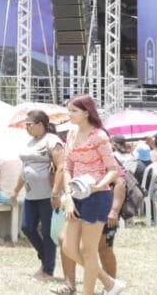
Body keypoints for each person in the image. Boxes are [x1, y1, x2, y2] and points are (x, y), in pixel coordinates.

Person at [59, 95, 125, 295]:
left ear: (86, 112)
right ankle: (110, 284)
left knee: (88, 251)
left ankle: (92, 291)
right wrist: (69, 195)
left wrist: (98, 186)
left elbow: (113, 170)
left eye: (74, 111)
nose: (69, 114)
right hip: (76, 194)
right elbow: (67, 167)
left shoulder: (99, 136)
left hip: (97, 196)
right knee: (69, 247)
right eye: (69, 110)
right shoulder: (71, 133)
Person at [10, 109, 65, 282]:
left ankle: (48, 270)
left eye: (29, 124)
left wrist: (56, 192)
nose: (26, 127)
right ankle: (45, 257)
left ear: (40, 124)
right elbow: (24, 169)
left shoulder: (52, 141)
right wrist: (16, 189)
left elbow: (61, 167)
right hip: (31, 193)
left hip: (48, 194)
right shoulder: (30, 143)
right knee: (27, 227)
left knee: (48, 233)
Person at [54, 168, 127, 295]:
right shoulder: (74, 151)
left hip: (102, 205)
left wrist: (114, 210)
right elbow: (66, 172)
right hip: (79, 204)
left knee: (103, 248)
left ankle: (109, 285)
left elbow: (120, 183)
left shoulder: (103, 153)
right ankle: (106, 283)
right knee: (65, 241)